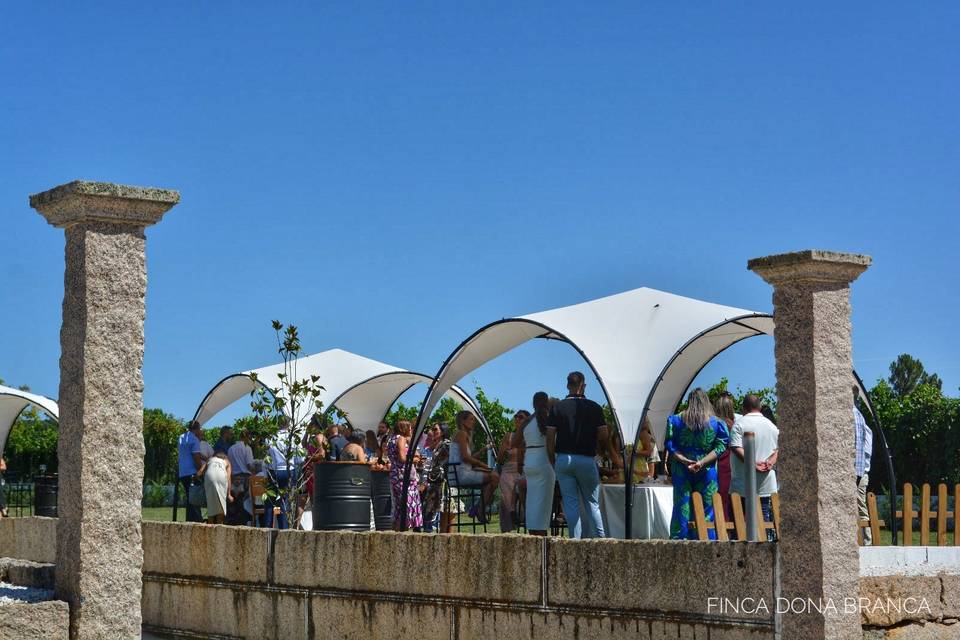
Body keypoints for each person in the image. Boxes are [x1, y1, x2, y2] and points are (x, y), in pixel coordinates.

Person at [545, 371, 608, 539]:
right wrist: (600, 452)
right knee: (592, 504)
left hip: (564, 459)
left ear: (567, 386)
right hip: (587, 459)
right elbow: (603, 435)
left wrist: (552, 458)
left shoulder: (557, 408)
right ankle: (602, 540)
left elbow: (550, 437)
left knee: (570, 504)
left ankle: (575, 541)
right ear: (583, 385)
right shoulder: (594, 407)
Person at [664, 388, 730, 540]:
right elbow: (721, 446)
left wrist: (684, 460)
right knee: (707, 511)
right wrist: (701, 462)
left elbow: (670, 445)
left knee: (682, 508)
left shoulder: (675, 420)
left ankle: (678, 545)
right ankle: (705, 543)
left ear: (689, 401)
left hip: (682, 470)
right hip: (707, 472)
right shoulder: (717, 423)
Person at [730, 394, 779, 540]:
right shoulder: (772, 426)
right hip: (766, 483)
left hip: (742, 484)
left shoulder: (739, 424)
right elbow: (779, 448)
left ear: (743, 408)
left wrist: (752, 463)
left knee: (738, 525)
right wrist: (771, 461)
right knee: (763, 523)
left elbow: (735, 447)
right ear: (759, 407)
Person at [449, 411, 499, 524]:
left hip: (461, 472)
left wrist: (483, 450)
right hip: (461, 474)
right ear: (463, 420)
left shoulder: (461, 434)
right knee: (494, 478)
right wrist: (482, 465)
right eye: (471, 419)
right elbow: (466, 458)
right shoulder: (461, 434)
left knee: (493, 477)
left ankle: (477, 508)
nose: (474, 422)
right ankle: (479, 509)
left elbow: (468, 458)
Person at [516, 392, 555, 536]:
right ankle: (541, 534)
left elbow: (514, 442)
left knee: (531, 501)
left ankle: (532, 532)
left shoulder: (526, 421)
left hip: (529, 461)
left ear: (533, 404)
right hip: (544, 461)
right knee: (543, 503)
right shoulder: (550, 418)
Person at [386, 420, 422, 530]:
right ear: (404, 429)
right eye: (410, 428)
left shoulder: (391, 439)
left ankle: (397, 531)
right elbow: (402, 457)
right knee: (407, 505)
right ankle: (402, 531)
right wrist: (414, 459)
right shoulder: (400, 438)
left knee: (399, 506)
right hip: (403, 476)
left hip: (395, 474)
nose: (411, 430)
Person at [497, 410, 527, 532]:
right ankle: (508, 527)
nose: (517, 419)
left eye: (521, 417)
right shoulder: (508, 436)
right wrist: (503, 449)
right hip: (508, 469)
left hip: (524, 469)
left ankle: (521, 518)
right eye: (516, 416)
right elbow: (499, 459)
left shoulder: (530, 436)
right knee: (506, 494)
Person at [854, 386, 873, 545]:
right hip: (860, 471)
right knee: (861, 508)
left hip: (857, 471)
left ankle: (867, 542)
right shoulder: (860, 417)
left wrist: (856, 474)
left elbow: (860, 451)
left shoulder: (854, 416)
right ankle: (866, 542)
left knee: (860, 508)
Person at [227, 429, 259, 525]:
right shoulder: (247, 448)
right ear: (247, 437)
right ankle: (244, 522)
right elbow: (249, 465)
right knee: (245, 502)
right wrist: (256, 472)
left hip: (233, 478)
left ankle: (234, 522)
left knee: (235, 501)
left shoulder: (231, 448)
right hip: (245, 478)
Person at [712, 392, 736, 516]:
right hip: (733, 463)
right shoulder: (736, 424)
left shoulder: (713, 423)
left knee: (719, 498)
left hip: (719, 463)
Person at [177, 421, 205, 522]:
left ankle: (190, 520)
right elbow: (196, 457)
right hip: (192, 472)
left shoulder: (181, 437)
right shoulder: (194, 439)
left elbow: (188, 452)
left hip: (182, 472)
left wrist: (204, 457)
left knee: (189, 497)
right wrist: (201, 470)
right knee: (194, 498)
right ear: (197, 429)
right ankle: (196, 520)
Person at [204, 449, 232, 524]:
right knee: (221, 506)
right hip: (221, 477)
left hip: (209, 477)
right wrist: (229, 494)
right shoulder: (227, 462)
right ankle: (220, 526)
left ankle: (210, 526)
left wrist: (195, 477)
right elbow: (228, 478)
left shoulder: (210, 459)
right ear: (225, 457)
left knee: (210, 506)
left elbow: (201, 472)